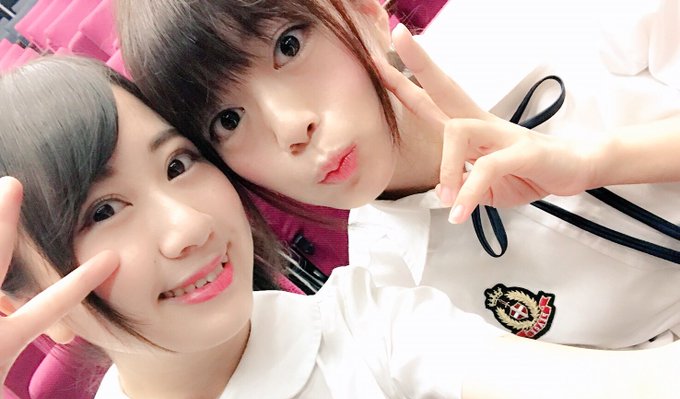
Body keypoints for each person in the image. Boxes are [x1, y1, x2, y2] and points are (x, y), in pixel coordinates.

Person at [0, 56, 679, 399]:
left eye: (178, 165)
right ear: (27, 303)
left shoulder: (367, 322)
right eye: (103, 212)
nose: (189, 227)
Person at [116, 0, 680, 349]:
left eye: (289, 45)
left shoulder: (539, 16)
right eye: (228, 119)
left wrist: (596, 161)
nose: (291, 127)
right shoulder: (390, 282)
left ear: (362, 8)